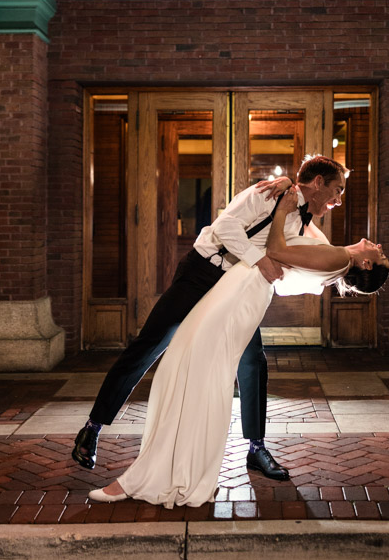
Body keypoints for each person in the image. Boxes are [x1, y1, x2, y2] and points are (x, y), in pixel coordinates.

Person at [88, 186, 389, 507]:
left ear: (367, 265)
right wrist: (291, 191)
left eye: (380, 254)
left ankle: (160, 474)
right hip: (236, 288)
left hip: (239, 296)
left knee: (195, 375)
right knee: (191, 372)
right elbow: (305, 215)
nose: (380, 246)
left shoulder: (337, 257)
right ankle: (176, 469)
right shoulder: (334, 253)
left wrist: (281, 210)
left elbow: (275, 250)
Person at [73, 155, 349, 481]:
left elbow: (323, 253)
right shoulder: (268, 194)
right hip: (202, 273)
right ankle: (92, 428)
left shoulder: (303, 218)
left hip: (236, 289)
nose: (338, 200)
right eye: (337, 189)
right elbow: (224, 227)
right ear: (318, 183)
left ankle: (256, 448)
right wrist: (259, 259)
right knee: (150, 344)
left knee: (253, 362)